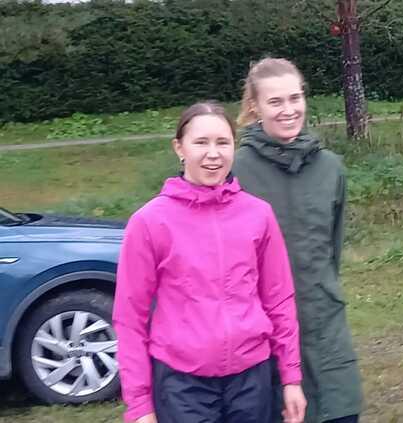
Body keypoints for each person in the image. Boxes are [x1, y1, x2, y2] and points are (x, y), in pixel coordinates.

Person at [113, 102, 307, 423]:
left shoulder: (258, 214)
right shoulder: (149, 222)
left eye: (223, 142)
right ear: (179, 148)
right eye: (201, 142)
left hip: (252, 379)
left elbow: (279, 301)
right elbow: (129, 317)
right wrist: (140, 405)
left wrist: (291, 377)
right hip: (183, 386)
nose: (213, 154)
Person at [232, 57, 363, 423]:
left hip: (324, 323)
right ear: (255, 107)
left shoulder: (330, 167)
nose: (288, 110)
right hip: (261, 333)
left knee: (340, 411)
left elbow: (332, 249)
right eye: (275, 101)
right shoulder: (234, 171)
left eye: (295, 98)